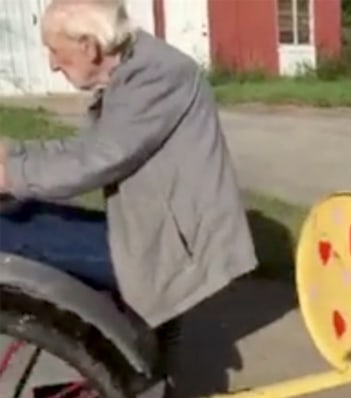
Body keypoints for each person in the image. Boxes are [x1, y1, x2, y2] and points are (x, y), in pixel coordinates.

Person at [0, 0, 257, 330]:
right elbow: (89, 148)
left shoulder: (156, 75)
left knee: (9, 231)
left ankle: (123, 355)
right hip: (151, 232)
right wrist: (13, 152)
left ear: (89, 47)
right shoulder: (133, 68)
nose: (51, 64)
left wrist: (8, 176)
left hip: (172, 252)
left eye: (54, 50)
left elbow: (98, 160)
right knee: (26, 213)